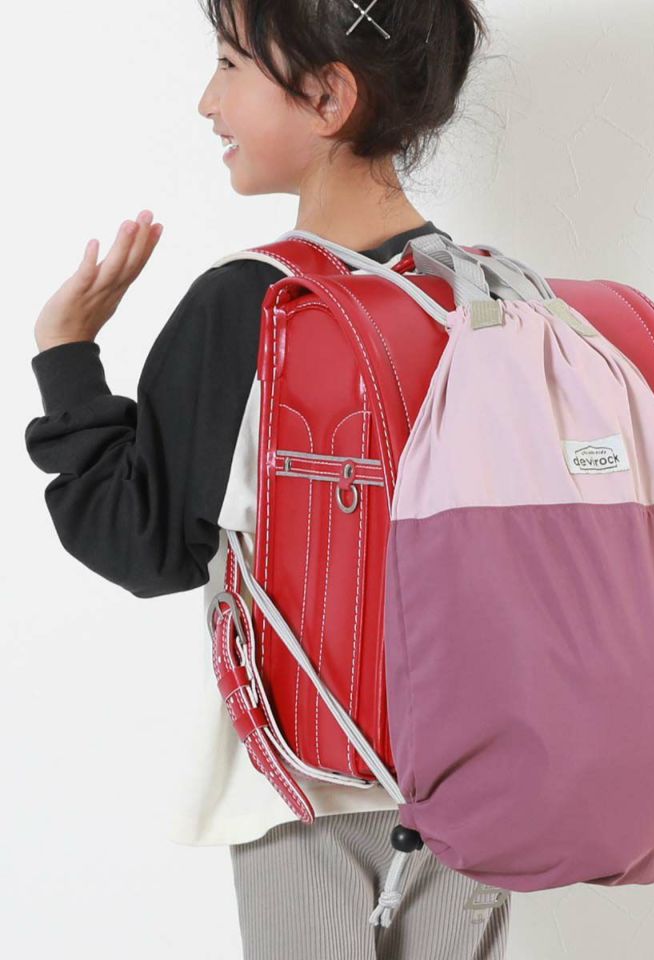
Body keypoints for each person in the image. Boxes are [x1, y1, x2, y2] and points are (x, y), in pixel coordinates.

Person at [24, 0, 511, 957]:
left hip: (307, 782)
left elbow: (144, 543)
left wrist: (66, 354)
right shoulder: (485, 294)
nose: (208, 101)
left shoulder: (257, 300)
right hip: (480, 778)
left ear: (329, 96)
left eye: (230, 64)